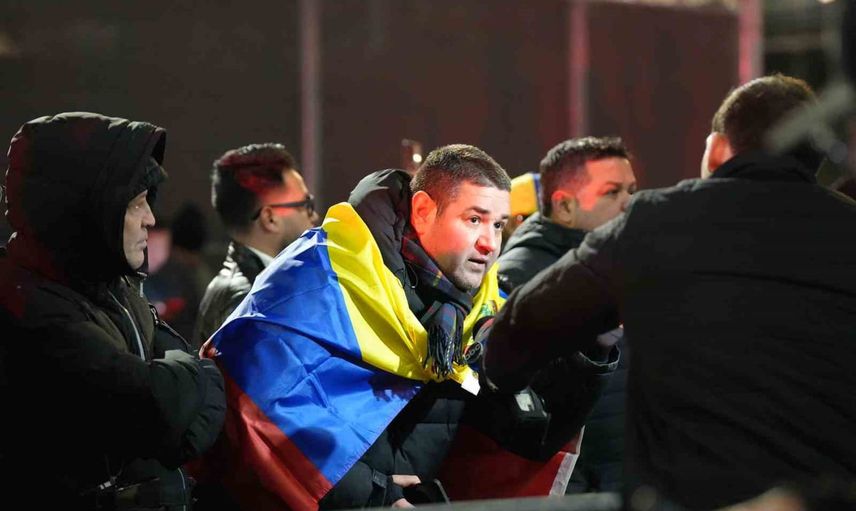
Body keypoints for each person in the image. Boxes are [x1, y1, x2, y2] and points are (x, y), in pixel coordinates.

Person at [483, 74, 856, 510]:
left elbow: (520, 331)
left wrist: (507, 375)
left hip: (689, 497)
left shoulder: (656, 222)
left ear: (717, 149)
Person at [0, 112, 226, 509]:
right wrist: (201, 373)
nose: (150, 219)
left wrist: (188, 377)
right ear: (86, 209)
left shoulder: (112, 285)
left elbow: (179, 390)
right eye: (136, 204)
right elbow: (165, 416)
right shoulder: (26, 304)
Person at [497, 136, 635, 494]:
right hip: (575, 489)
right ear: (564, 206)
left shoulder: (624, 265)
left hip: (629, 478)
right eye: (612, 192)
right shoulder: (521, 278)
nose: (629, 203)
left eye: (631, 191)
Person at [193, 143, 318, 348]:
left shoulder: (253, 291)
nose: (315, 216)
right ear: (270, 218)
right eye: (306, 205)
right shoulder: (247, 301)